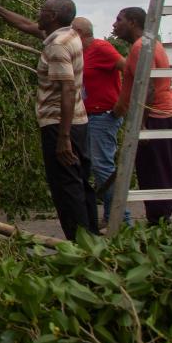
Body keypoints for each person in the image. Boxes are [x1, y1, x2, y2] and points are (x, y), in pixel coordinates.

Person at [0, 0, 98, 239]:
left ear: (51, 17)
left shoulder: (57, 45)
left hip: (61, 125)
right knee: (79, 183)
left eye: (42, 11)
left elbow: (68, 89)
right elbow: (25, 25)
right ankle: (93, 241)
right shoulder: (68, 35)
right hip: (78, 123)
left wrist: (63, 137)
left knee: (66, 189)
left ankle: (80, 247)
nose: (37, 14)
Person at [111, 7, 172, 225]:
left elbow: (147, 87)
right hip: (165, 115)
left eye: (119, 20)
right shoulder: (147, 44)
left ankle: (158, 221)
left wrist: (141, 124)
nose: (114, 24)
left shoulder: (143, 47)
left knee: (155, 172)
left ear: (132, 22)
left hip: (156, 117)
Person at [70, 17, 129, 228]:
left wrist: (123, 103)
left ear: (79, 32)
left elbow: (128, 69)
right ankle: (110, 217)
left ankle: (122, 219)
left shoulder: (101, 48)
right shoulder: (80, 52)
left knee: (101, 165)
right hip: (88, 116)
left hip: (104, 116)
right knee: (93, 165)